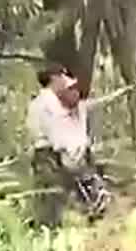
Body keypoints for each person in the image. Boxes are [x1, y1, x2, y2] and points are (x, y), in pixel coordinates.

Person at [27, 65, 112, 227]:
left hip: (55, 151)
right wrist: (68, 149)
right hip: (50, 152)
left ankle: (85, 216)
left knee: (65, 191)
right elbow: (55, 130)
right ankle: (49, 230)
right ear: (54, 78)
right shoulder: (47, 103)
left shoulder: (50, 101)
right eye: (62, 77)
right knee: (52, 196)